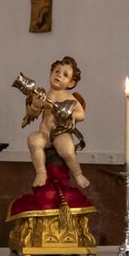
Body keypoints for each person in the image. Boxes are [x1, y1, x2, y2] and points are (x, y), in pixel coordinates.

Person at [17, 56, 89, 189]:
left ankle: (78, 174)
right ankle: (41, 173)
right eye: (57, 71)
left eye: (65, 75)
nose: (59, 75)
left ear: (71, 83)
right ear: (50, 73)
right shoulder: (43, 95)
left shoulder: (70, 98)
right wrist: (36, 105)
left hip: (60, 132)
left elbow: (81, 115)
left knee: (68, 151)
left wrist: (70, 115)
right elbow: (32, 114)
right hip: (44, 133)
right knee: (33, 140)